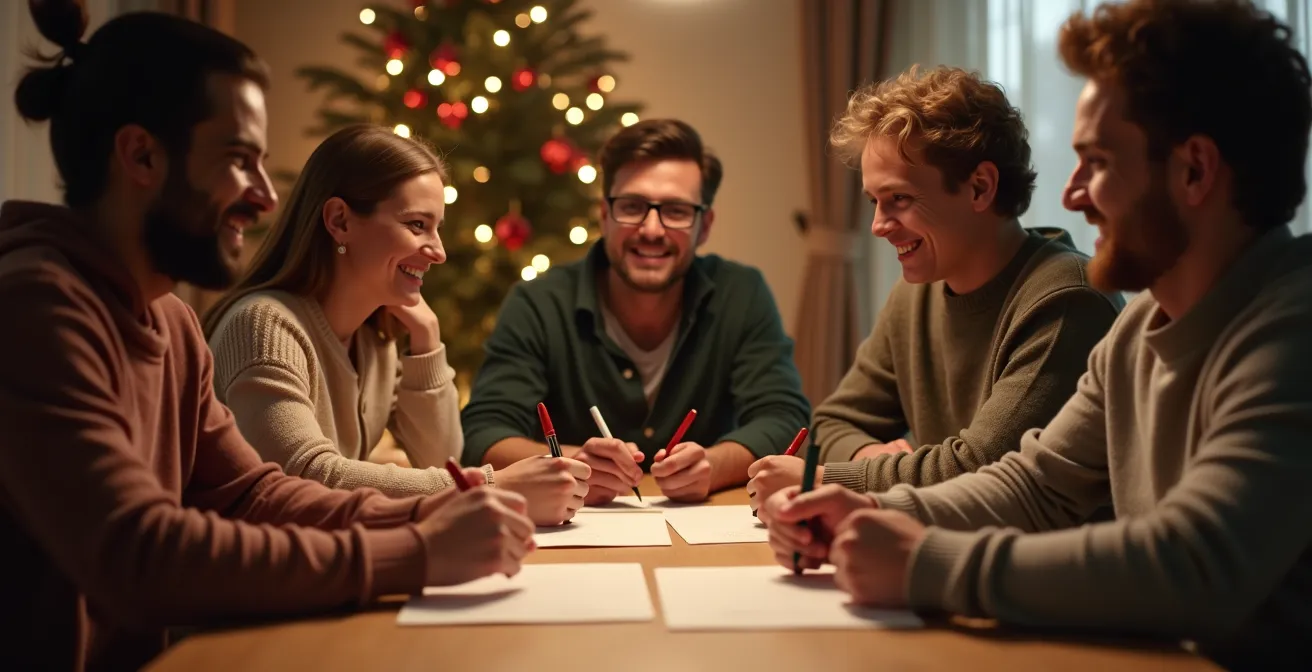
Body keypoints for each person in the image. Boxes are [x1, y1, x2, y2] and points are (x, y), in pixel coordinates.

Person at [762, 0, 1312, 668]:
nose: (1074, 194)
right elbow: (1035, 485)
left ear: (1194, 170)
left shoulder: (1294, 327)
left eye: (1098, 162)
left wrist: (926, 564)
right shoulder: (1140, 326)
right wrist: (868, 510)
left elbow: (1196, 563)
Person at [0, 5, 534, 670]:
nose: (266, 197)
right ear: (141, 155)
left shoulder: (168, 318)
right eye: (238, 160)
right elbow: (138, 555)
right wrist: (418, 551)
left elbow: (253, 493)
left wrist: (431, 519)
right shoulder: (35, 305)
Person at [747, 66, 1123, 515]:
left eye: (899, 199)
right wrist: (872, 460)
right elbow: (831, 422)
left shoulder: (1067, 300)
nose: (878, 226)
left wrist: (833, 477)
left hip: (1043, 578)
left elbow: (984, 471)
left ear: (980, 187)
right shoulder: (916, 294)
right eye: (874, 201)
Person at [204, 124, 590, 527]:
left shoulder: (374, 340)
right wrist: (491, 486)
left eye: (436, 228)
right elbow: (306, 477)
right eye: (417, 225)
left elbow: (442, 460)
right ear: (340, 221)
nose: (438, 252)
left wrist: (427, 342)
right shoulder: (263, 325)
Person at [461, 119, 811, 504]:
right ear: (604, 215)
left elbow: (783, 416)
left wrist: (713, 465)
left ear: (704, 225)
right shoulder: (538, 303)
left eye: (676, 211)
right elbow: (483, 432)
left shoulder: (741, 294)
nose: (651, 229)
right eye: (632, 207)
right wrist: (573, 465)